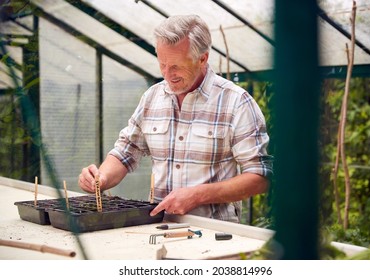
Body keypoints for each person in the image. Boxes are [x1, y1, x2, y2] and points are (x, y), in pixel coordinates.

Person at [78, 14, 273, 223]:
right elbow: (126, 152)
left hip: (214, 235)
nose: (168, 74)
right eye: (162, 64)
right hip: (158, 227)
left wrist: (198, 195)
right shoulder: (152, 97)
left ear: (203, 58)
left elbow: (260, 177)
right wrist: (102, 178)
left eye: (176, 66)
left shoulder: (236, 102)